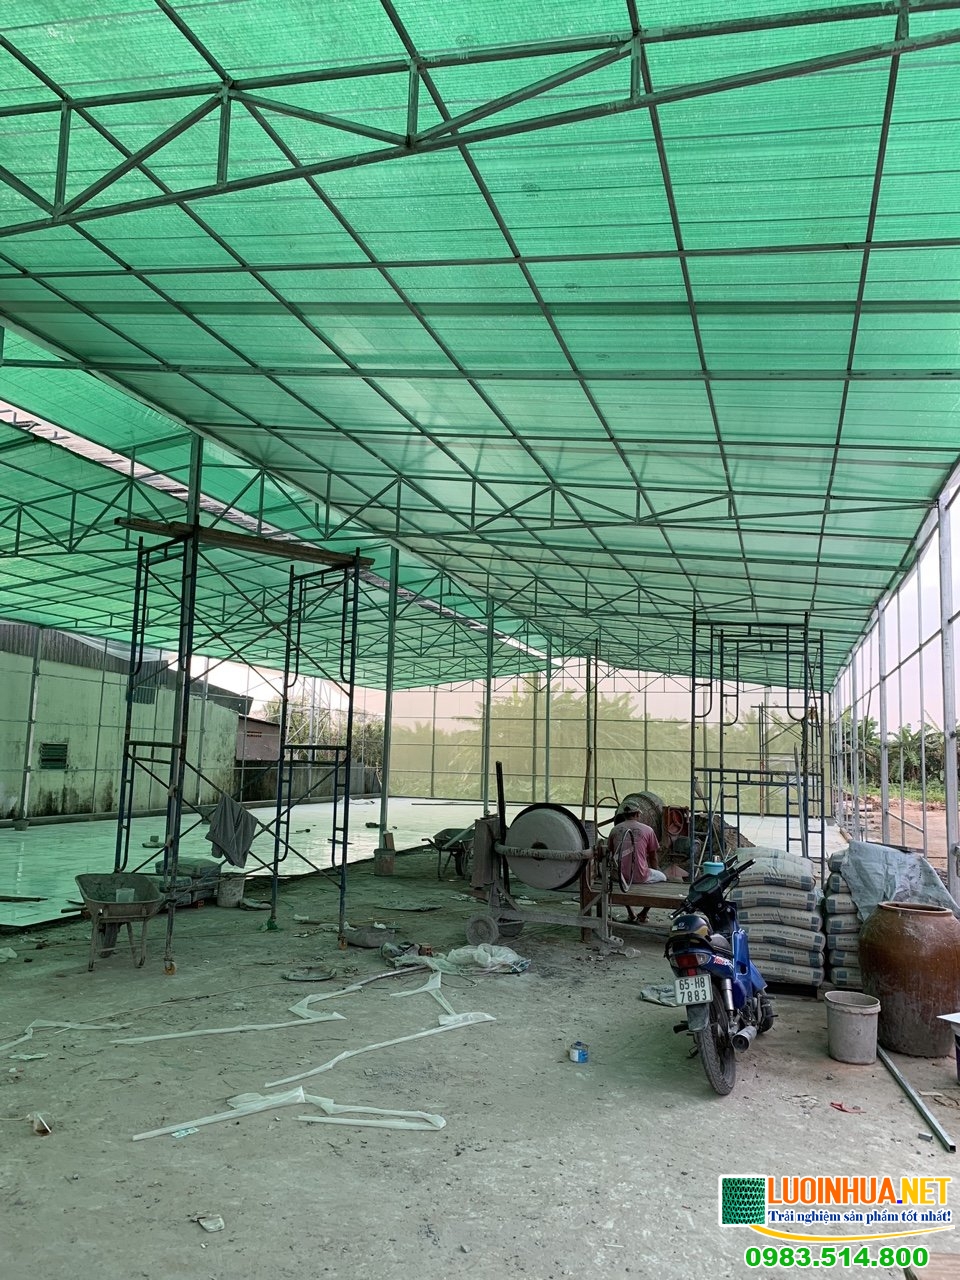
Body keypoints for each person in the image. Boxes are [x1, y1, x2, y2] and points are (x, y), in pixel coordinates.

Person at [607, 800, 666, 923]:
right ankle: (644, 913)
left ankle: (631, 912)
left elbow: (610, 853)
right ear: (638, 814)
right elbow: (653, 856)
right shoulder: (648, 830)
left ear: (623, 815)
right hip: (640, 876)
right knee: (662, 878)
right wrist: (654, 870)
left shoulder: (614, 830)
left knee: (623, 885)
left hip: (619, 877)